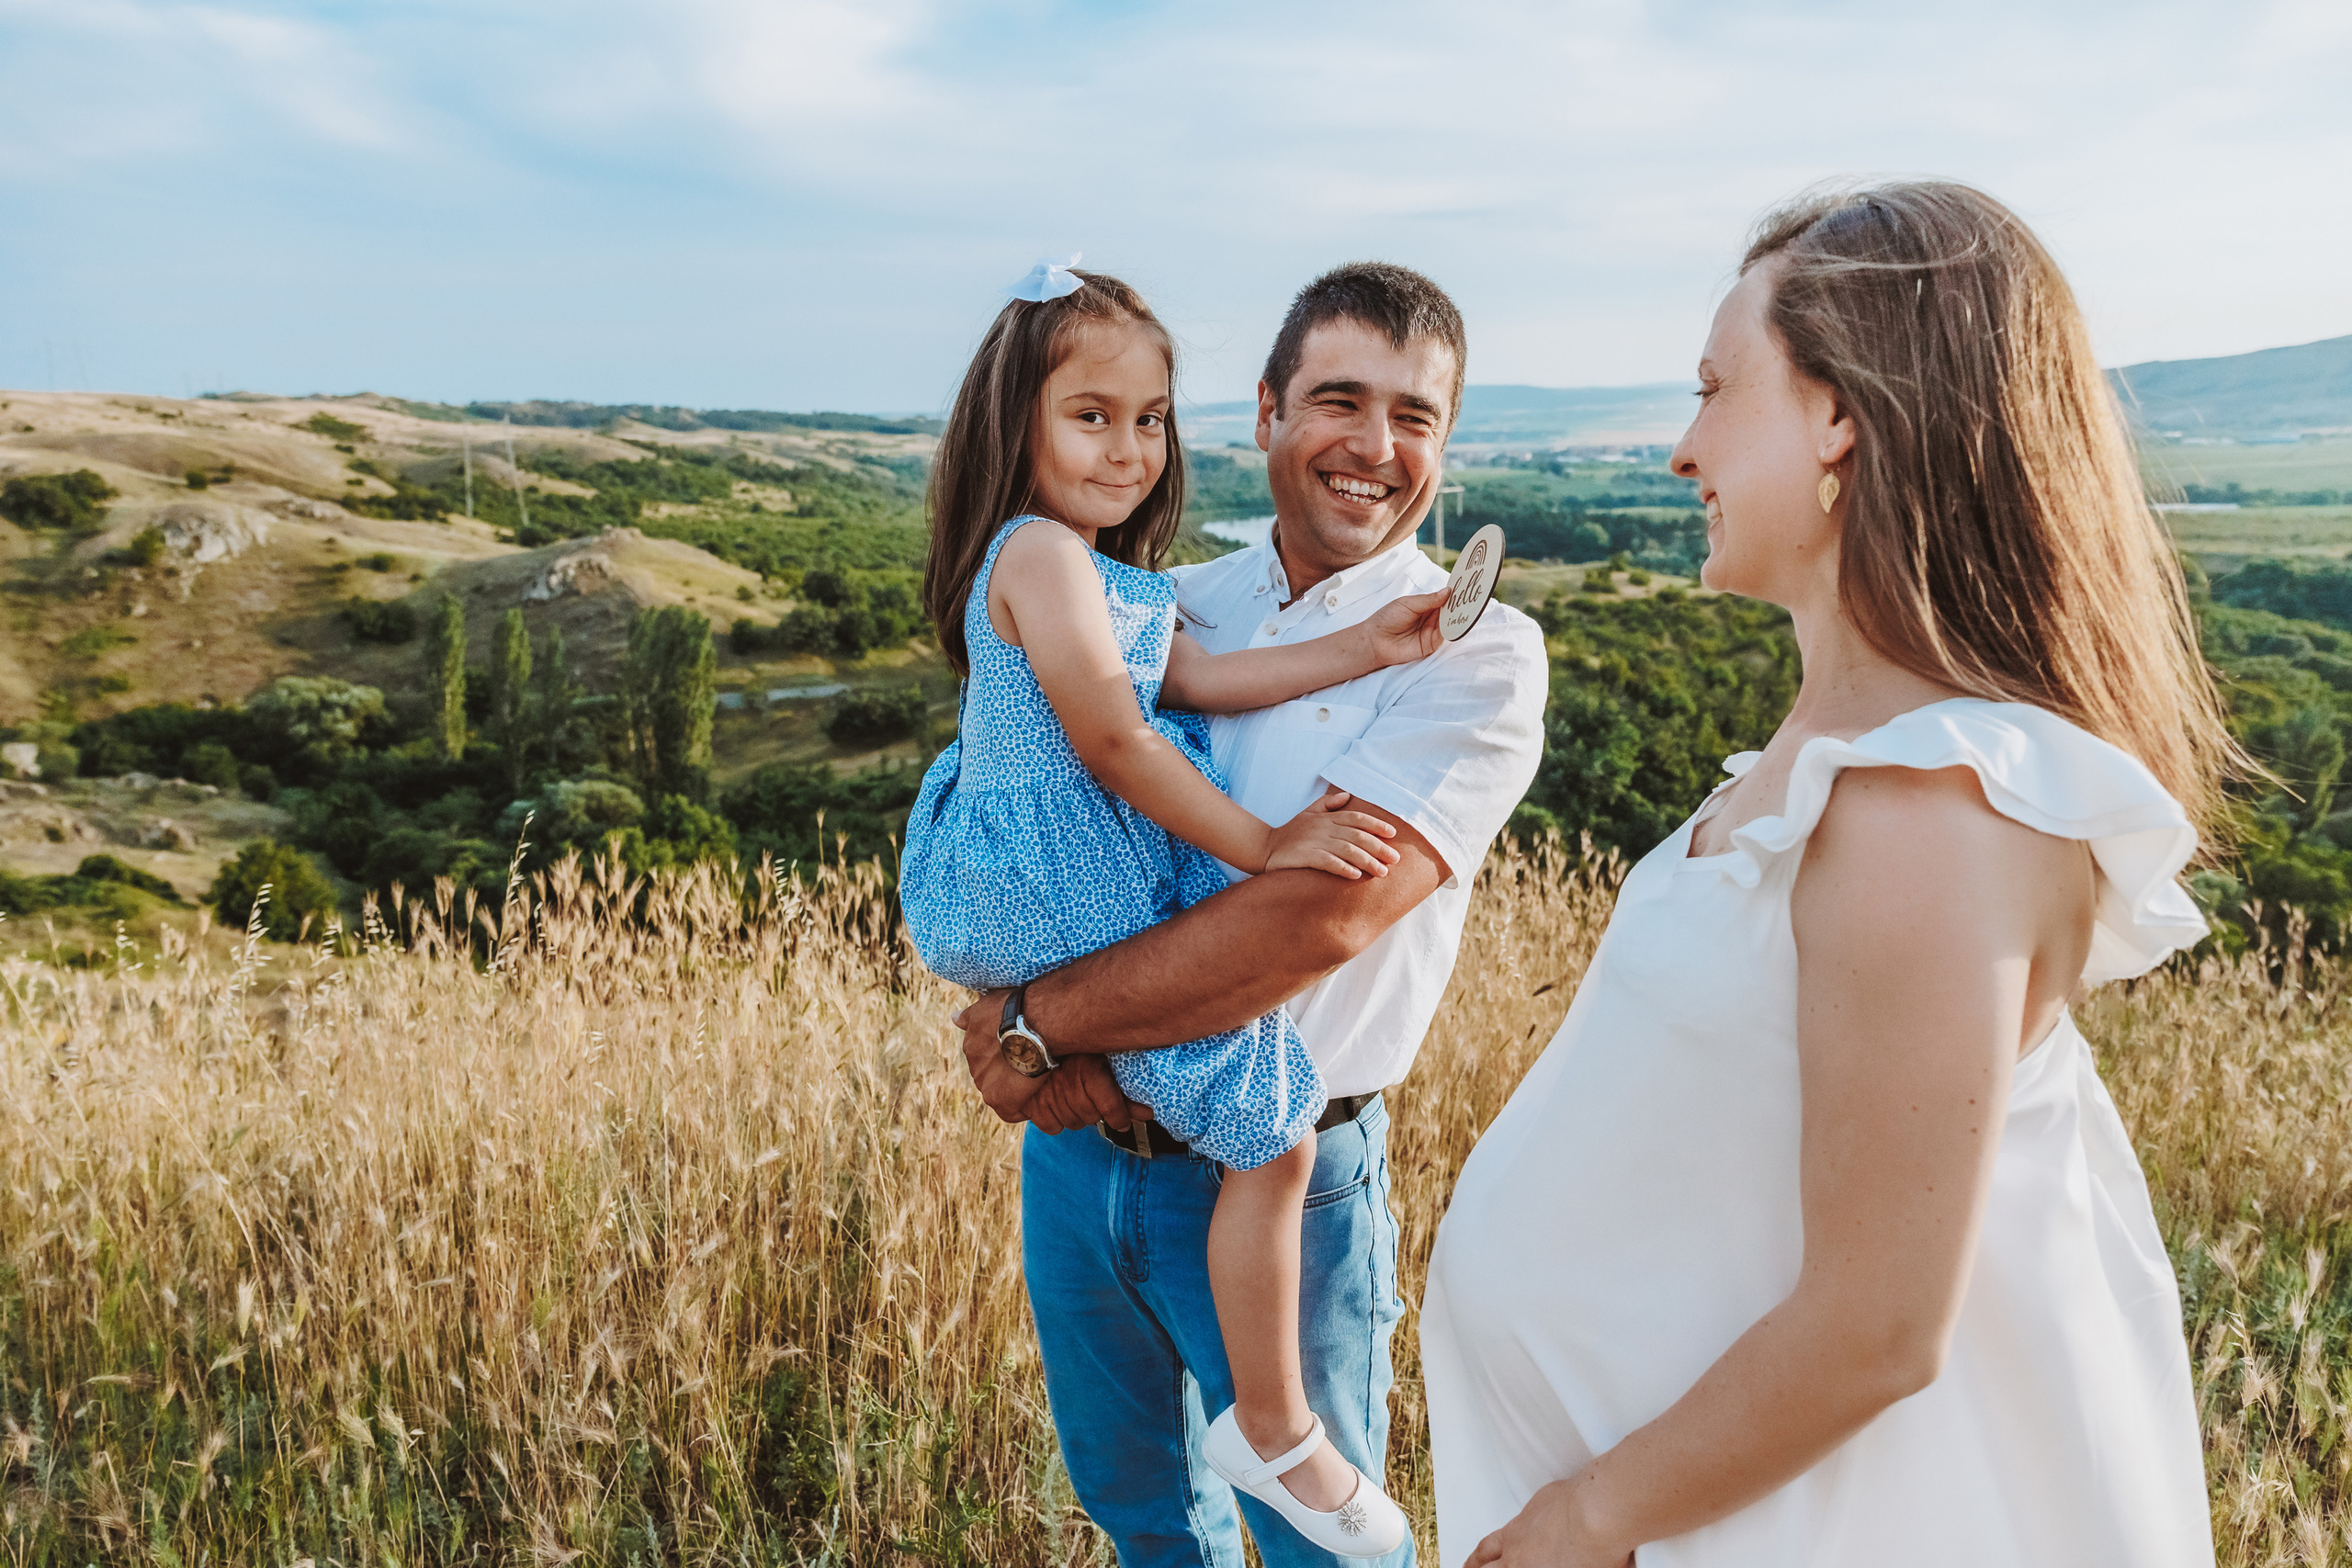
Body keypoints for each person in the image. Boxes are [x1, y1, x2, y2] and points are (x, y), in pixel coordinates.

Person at [1419, 181, 2232, 1568]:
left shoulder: (1934, 812)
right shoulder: (1840, 760)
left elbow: (1879, 1324)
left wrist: (1589, 1518)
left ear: (1840, 417)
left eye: (1714, 388)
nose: (1683, 449)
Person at [949, 261, 1549, 1567]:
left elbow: (1312, 925)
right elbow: (1051, 810)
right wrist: (1038, 1018)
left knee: (1323, 1553)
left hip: (1285, 1177)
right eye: (1340, 400)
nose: (1375, 447)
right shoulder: (1163, 597)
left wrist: (1035, 1024)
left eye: (1415, 416)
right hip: (1084, 1159)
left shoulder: (1478, 653)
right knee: (1149, 1527)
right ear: (1269, 410)